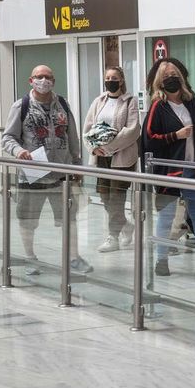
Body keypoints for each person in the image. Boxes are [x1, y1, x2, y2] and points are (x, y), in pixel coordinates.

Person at [1, 64, 93, 275]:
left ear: (53, 80)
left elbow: (72, 137)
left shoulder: (62, 104)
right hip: (32, 175)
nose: (44, 81)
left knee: (69, 218)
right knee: (28, 219)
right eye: (39, 77)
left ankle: (73, 258)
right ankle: (30, 258)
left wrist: (77, 164)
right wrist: (18, 151)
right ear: (31, 80)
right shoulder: (21, 106)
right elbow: (7, 138)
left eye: (48, 77)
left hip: (61, 175)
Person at [142, 59, 195, 279]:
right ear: (160, 81)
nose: (171, 78)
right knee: (166, 216)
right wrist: (175, 136)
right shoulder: (158, 107)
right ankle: (161, 260)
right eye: (166, 75)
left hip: (194, 168)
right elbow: (149, 139)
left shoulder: (192, 103)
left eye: (174, 74)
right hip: (170, 171)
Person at [83, 66, 141, 253]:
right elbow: (88, 128)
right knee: (105, 197)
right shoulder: (99, 101)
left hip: (122, 158)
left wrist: (109, 148)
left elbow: (132, 130)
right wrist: (94, 148)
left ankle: (113, 236)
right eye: (107, 77)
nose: (110, 80)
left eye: (114, 77)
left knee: (117, 197)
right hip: (101, 158)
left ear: (121, 80)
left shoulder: (129, 101)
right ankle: (126, 226)